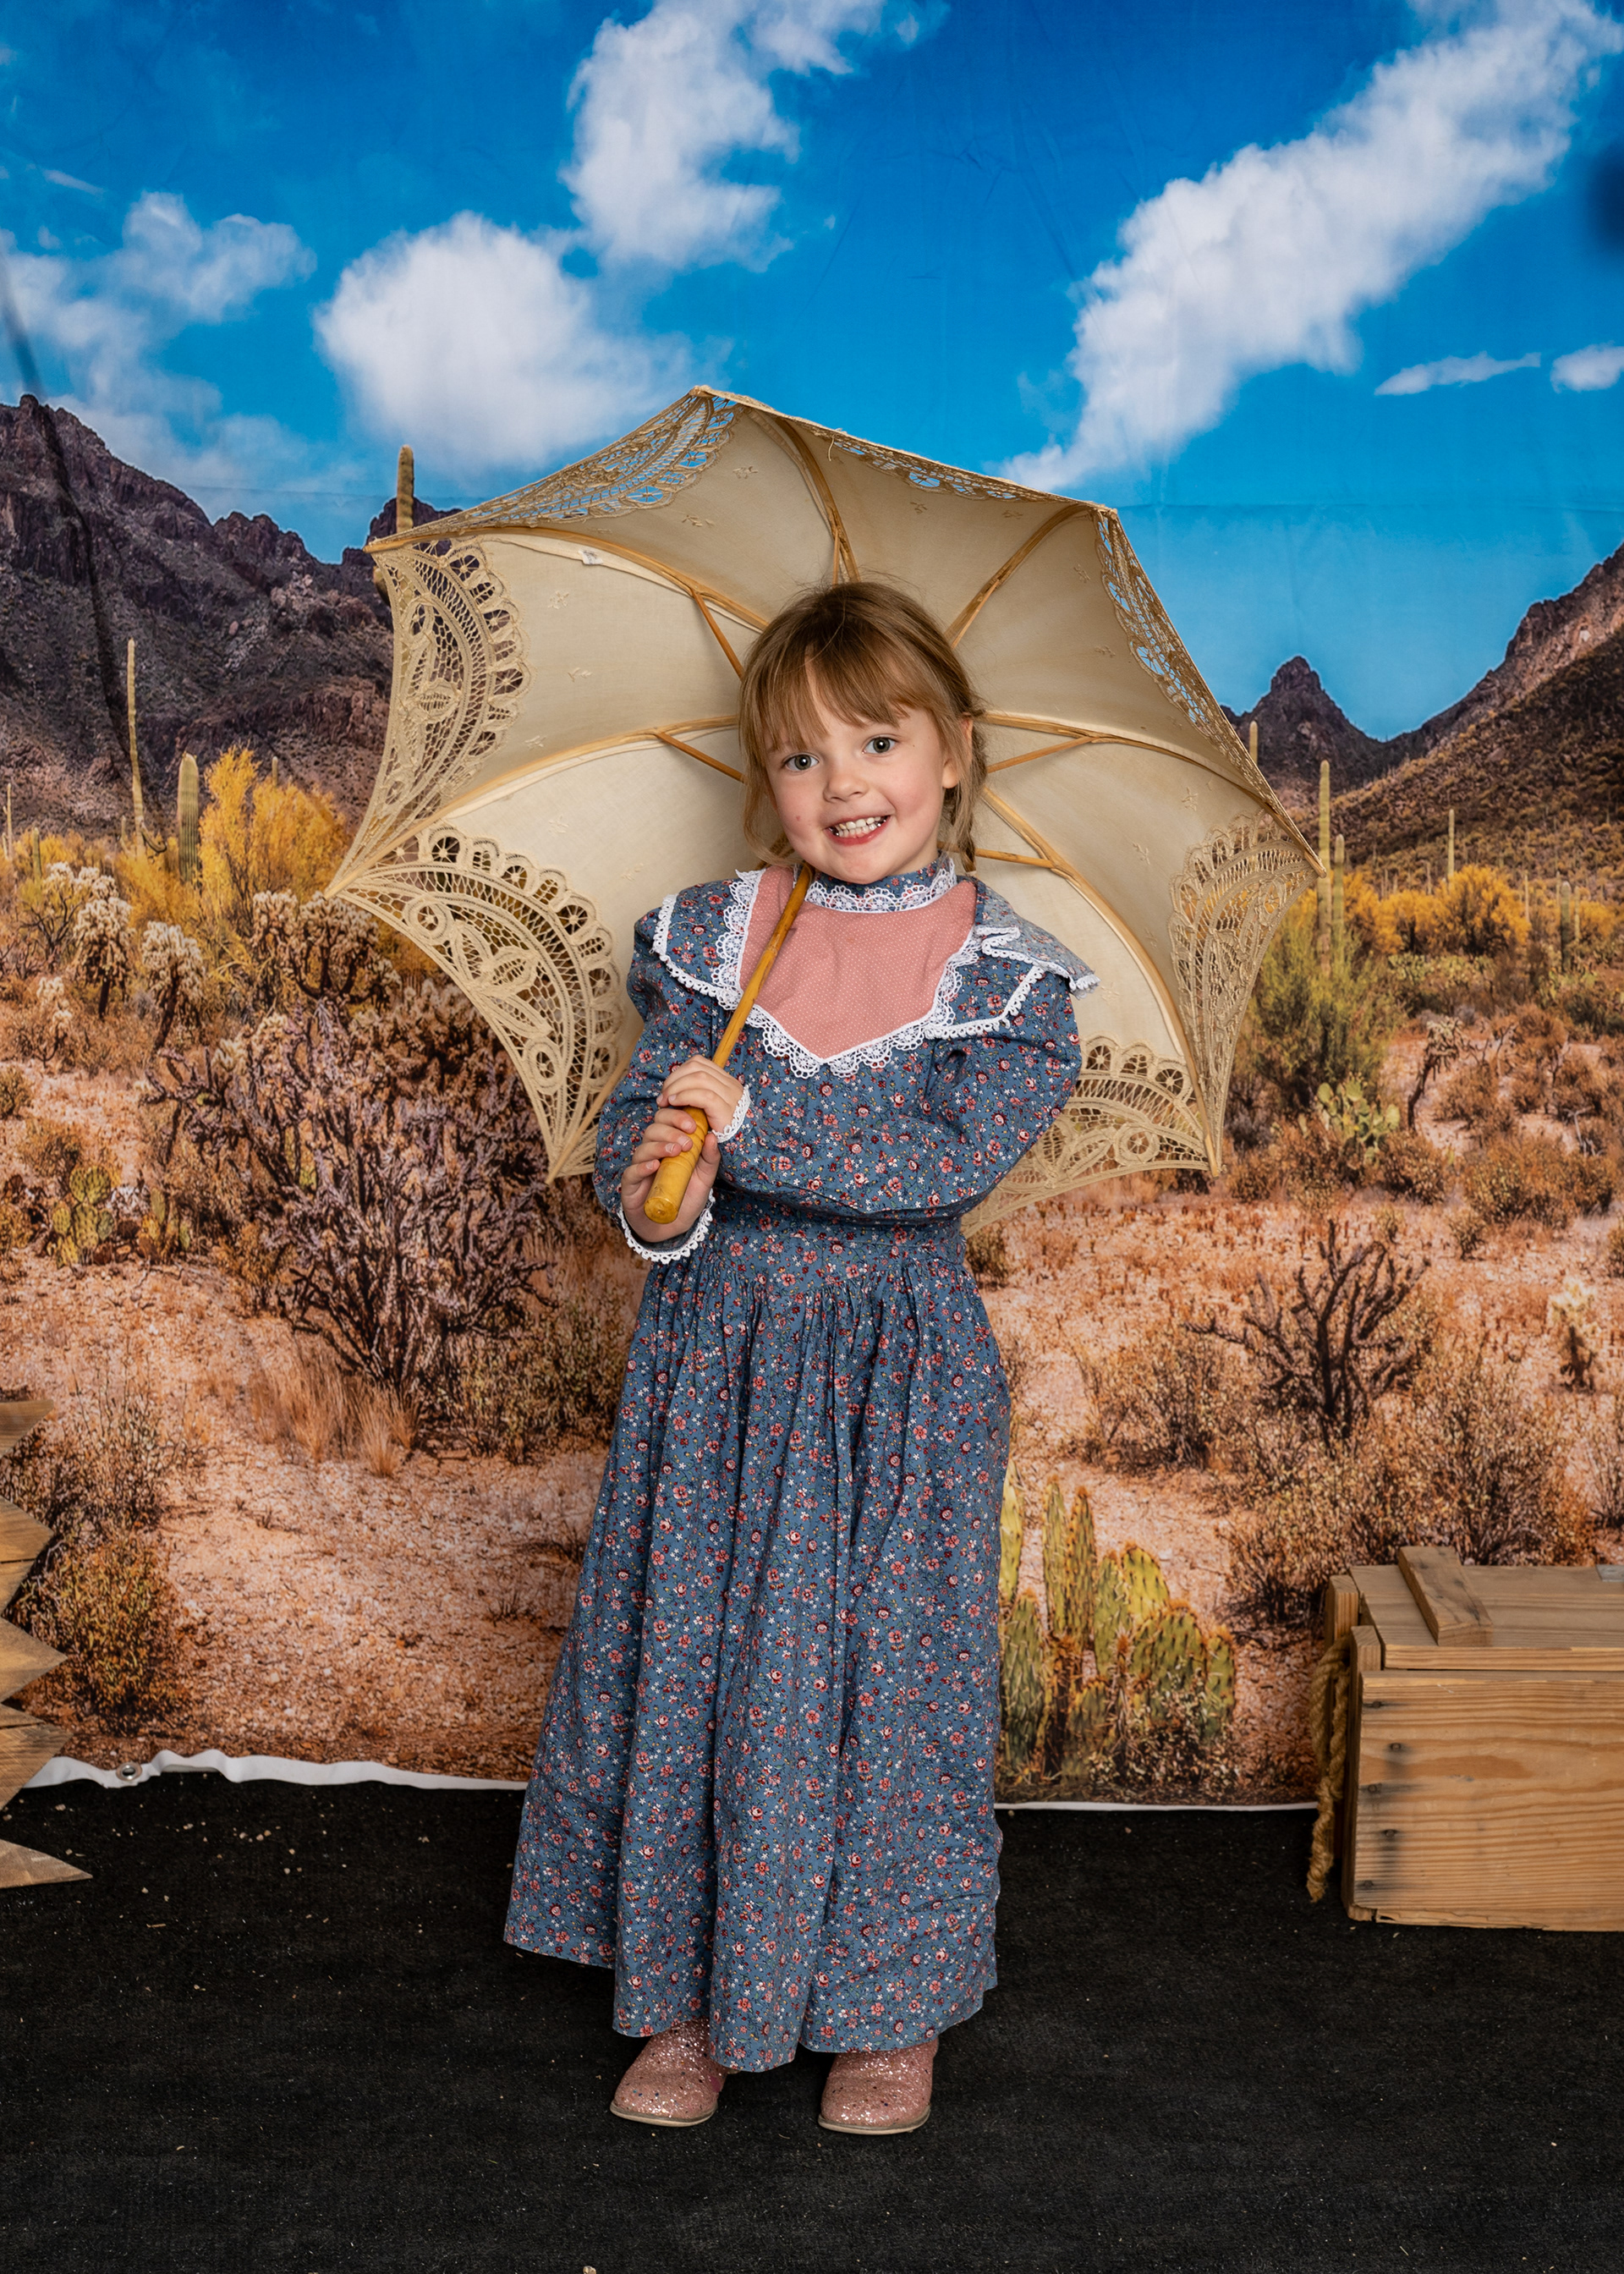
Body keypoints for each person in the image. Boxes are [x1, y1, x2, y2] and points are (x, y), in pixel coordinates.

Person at [506, 580, 1093, 2133]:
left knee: (885, 1683)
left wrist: (760, 1123)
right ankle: (691, 1991)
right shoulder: (720, 944)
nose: (843, 786)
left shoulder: (1007, 977)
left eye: (879, 743)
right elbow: (642, 1154)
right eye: (800, 756)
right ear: (765, 778)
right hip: (720, 1361)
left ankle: (885, 2008)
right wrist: (665, 1182)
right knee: (700, 1662)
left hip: (896, 1376)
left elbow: (937, 1166)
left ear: (954, 751)